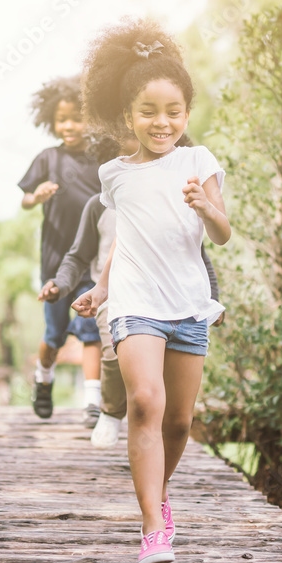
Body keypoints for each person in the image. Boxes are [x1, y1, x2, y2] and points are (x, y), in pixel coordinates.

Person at [72, 19, 231, 563]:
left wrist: (207, 208)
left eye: (172, 111)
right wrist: (101, 287)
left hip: (187, 303)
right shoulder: (114, 174)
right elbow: (123, 240)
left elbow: (223, 232)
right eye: (148, 111)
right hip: (135, 303)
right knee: (145, 402)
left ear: (186, 114)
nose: (160, 122)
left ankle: (157, 494)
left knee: (180, 423)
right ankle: (153, 529)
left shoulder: (199, 161)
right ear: (129, 116)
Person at [39, 132, 225, 449]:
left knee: (165, 386)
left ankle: (152, 448)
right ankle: (110, 412)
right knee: (113, 351)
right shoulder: (99, 205)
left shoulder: (175, 200)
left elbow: (198, 254)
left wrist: (213, 300)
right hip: (117, 295)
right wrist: (62, 284)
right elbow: (79, 255)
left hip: (173, 298)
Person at [18, 76, 103, 426]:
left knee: (92, 332)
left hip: (92, 263)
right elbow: (24, 200)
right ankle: (43, 379)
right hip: (55, 263)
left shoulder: (102, 158)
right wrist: (35, 197)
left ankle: (93, 402)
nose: (69, 126)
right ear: (52, 122)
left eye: (77, 118)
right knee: (54, 335)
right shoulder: (47, 159)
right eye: (62, 119)